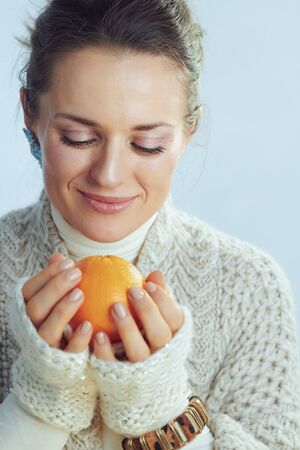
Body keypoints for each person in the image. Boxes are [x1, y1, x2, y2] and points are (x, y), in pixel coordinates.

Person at [0, 0, 300, 449]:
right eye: (78, 137)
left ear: (188, 131)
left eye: (147, 144)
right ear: (30, 114)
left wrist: (160, 409)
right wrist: (35, 407)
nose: (110, 174)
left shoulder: (249, 289)